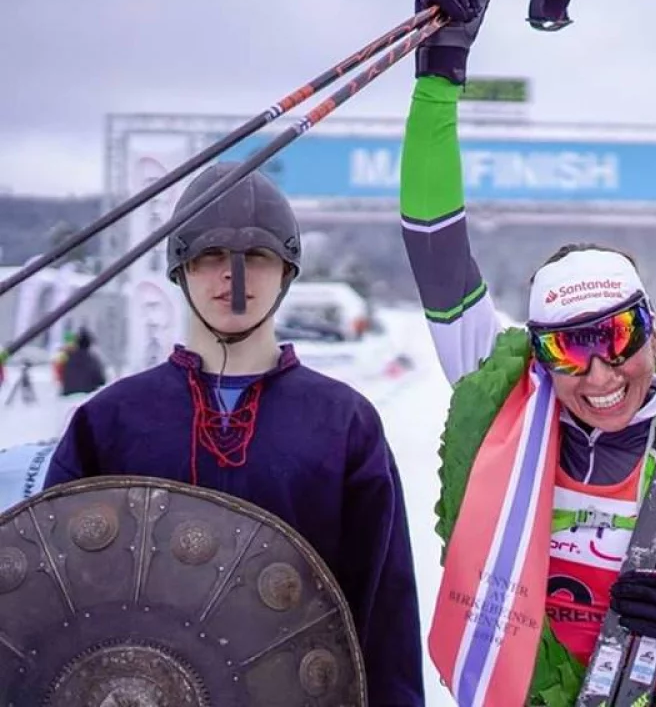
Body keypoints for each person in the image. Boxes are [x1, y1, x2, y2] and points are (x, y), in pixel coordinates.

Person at [402, 0, 656, 705]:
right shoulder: (508, 407)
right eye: (566, 348)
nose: (598, 375)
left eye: (618, 337)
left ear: (653, 330)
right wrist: (440, 74)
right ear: (537, 353)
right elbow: (436, 249)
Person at [42, 162, 424, 706]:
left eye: (257, 257)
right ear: (181, 267)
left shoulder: (343, 422)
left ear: (287, 269)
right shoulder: (112, 419)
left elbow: (384, 609)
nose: (233, 276)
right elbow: (51, 596)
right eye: (211, 256)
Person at [58, 326, 107, 396]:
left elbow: (60, 374)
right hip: (87, 394)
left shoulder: (68, 357)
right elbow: (101, 380)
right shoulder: (92, 359)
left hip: (68, 393)